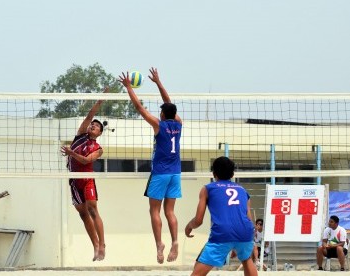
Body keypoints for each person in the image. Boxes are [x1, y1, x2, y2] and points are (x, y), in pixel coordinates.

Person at [119, 68, 182, 264]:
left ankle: (159, 244)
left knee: (154, 211)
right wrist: (158, 83)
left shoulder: (158, 124)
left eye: (161, 111)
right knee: (170, 211)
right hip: (175, 173)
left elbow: (139, 107)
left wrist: (129, 87)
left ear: (163, 114)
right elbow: (170, 104)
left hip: (160, 173)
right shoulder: (178, 124)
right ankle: (175, 241)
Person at [185, 156, 257, 276]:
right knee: (246, 259)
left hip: (223, 233)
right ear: (233, 174)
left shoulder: (208, 189)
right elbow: (249, 219)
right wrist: (237, 242)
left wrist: (188, 226)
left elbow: (198, 220)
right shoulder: (242, 190)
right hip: (245, 232)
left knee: (197, 271)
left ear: (213, 173)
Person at [60, 88, 107, 261]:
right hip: (74, 180)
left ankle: (102, 244)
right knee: (82, 213)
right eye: (91, 124)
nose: (92, 125)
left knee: (93, 210)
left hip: (86, 179)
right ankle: (94, 245)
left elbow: (87, 161)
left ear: (100, 133)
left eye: (96, 126)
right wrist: (100, 101)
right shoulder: (80, 135)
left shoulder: (98, 149)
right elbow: (89, 115)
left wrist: (70, 153)